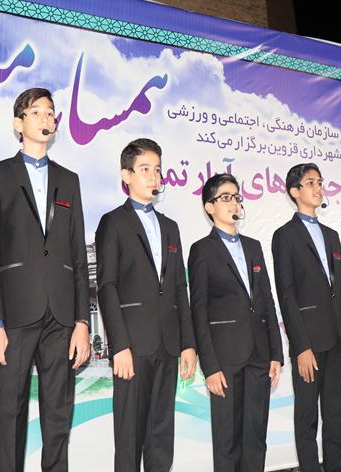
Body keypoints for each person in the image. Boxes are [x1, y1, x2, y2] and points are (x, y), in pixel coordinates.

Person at [0, 87, 90, 471]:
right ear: (18, 123)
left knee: (58, 416)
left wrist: (82, 322)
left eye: (50, 112)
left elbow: (78, 256)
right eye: (36, 112)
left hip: (61, 316)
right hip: (14, 314)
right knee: (10, 413)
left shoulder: (69, 180)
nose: (46, 118)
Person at [96, 138, 197, 471]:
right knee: (129, 435)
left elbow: (180, 289)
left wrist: (188, 343)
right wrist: (119, 346)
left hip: (168, 344)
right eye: (144, 169)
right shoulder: (113, 222)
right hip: (133, 346)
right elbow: (107, 287)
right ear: (126, 175)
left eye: (157, 169)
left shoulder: (170, 227)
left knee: (161, 435)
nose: (153, 176)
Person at [189, 173, 283, 471]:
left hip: (259, 356)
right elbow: (198, 312)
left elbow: (267, 301)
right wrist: (210, 367)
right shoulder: (202, 250)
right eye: (226, 197)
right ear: (209, 207)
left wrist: (276, 354)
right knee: (227, 442)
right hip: (225, 361)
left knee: (256, 438)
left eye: (237, 197)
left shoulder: (254, 247)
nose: (234, 203)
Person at [272, 163, 341, 472]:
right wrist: (301, 347)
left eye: (320, 182)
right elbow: (286, 295)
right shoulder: (285, 236)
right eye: (311, 182)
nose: (318, 187)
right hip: (309, 342)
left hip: (338, 341)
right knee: (307, 417)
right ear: (295, 192)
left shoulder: (332, 236)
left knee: (335, 416)